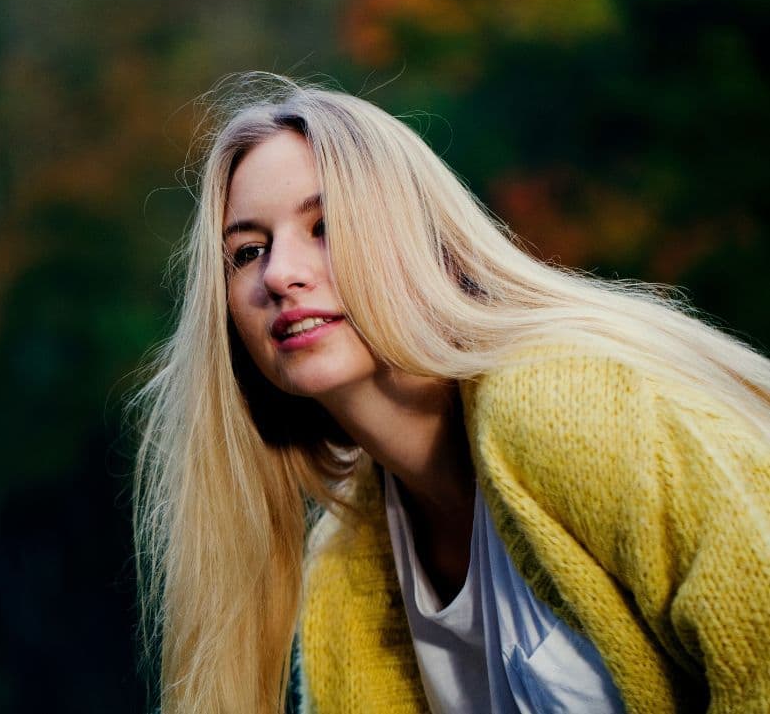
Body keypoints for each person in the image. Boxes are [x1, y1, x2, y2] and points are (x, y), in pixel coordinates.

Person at [133, 73, 770, 714]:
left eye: (325, 226)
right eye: (247, 252)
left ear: (417, 239)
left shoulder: (559, 400)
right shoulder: (344, 571)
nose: (279, 274)